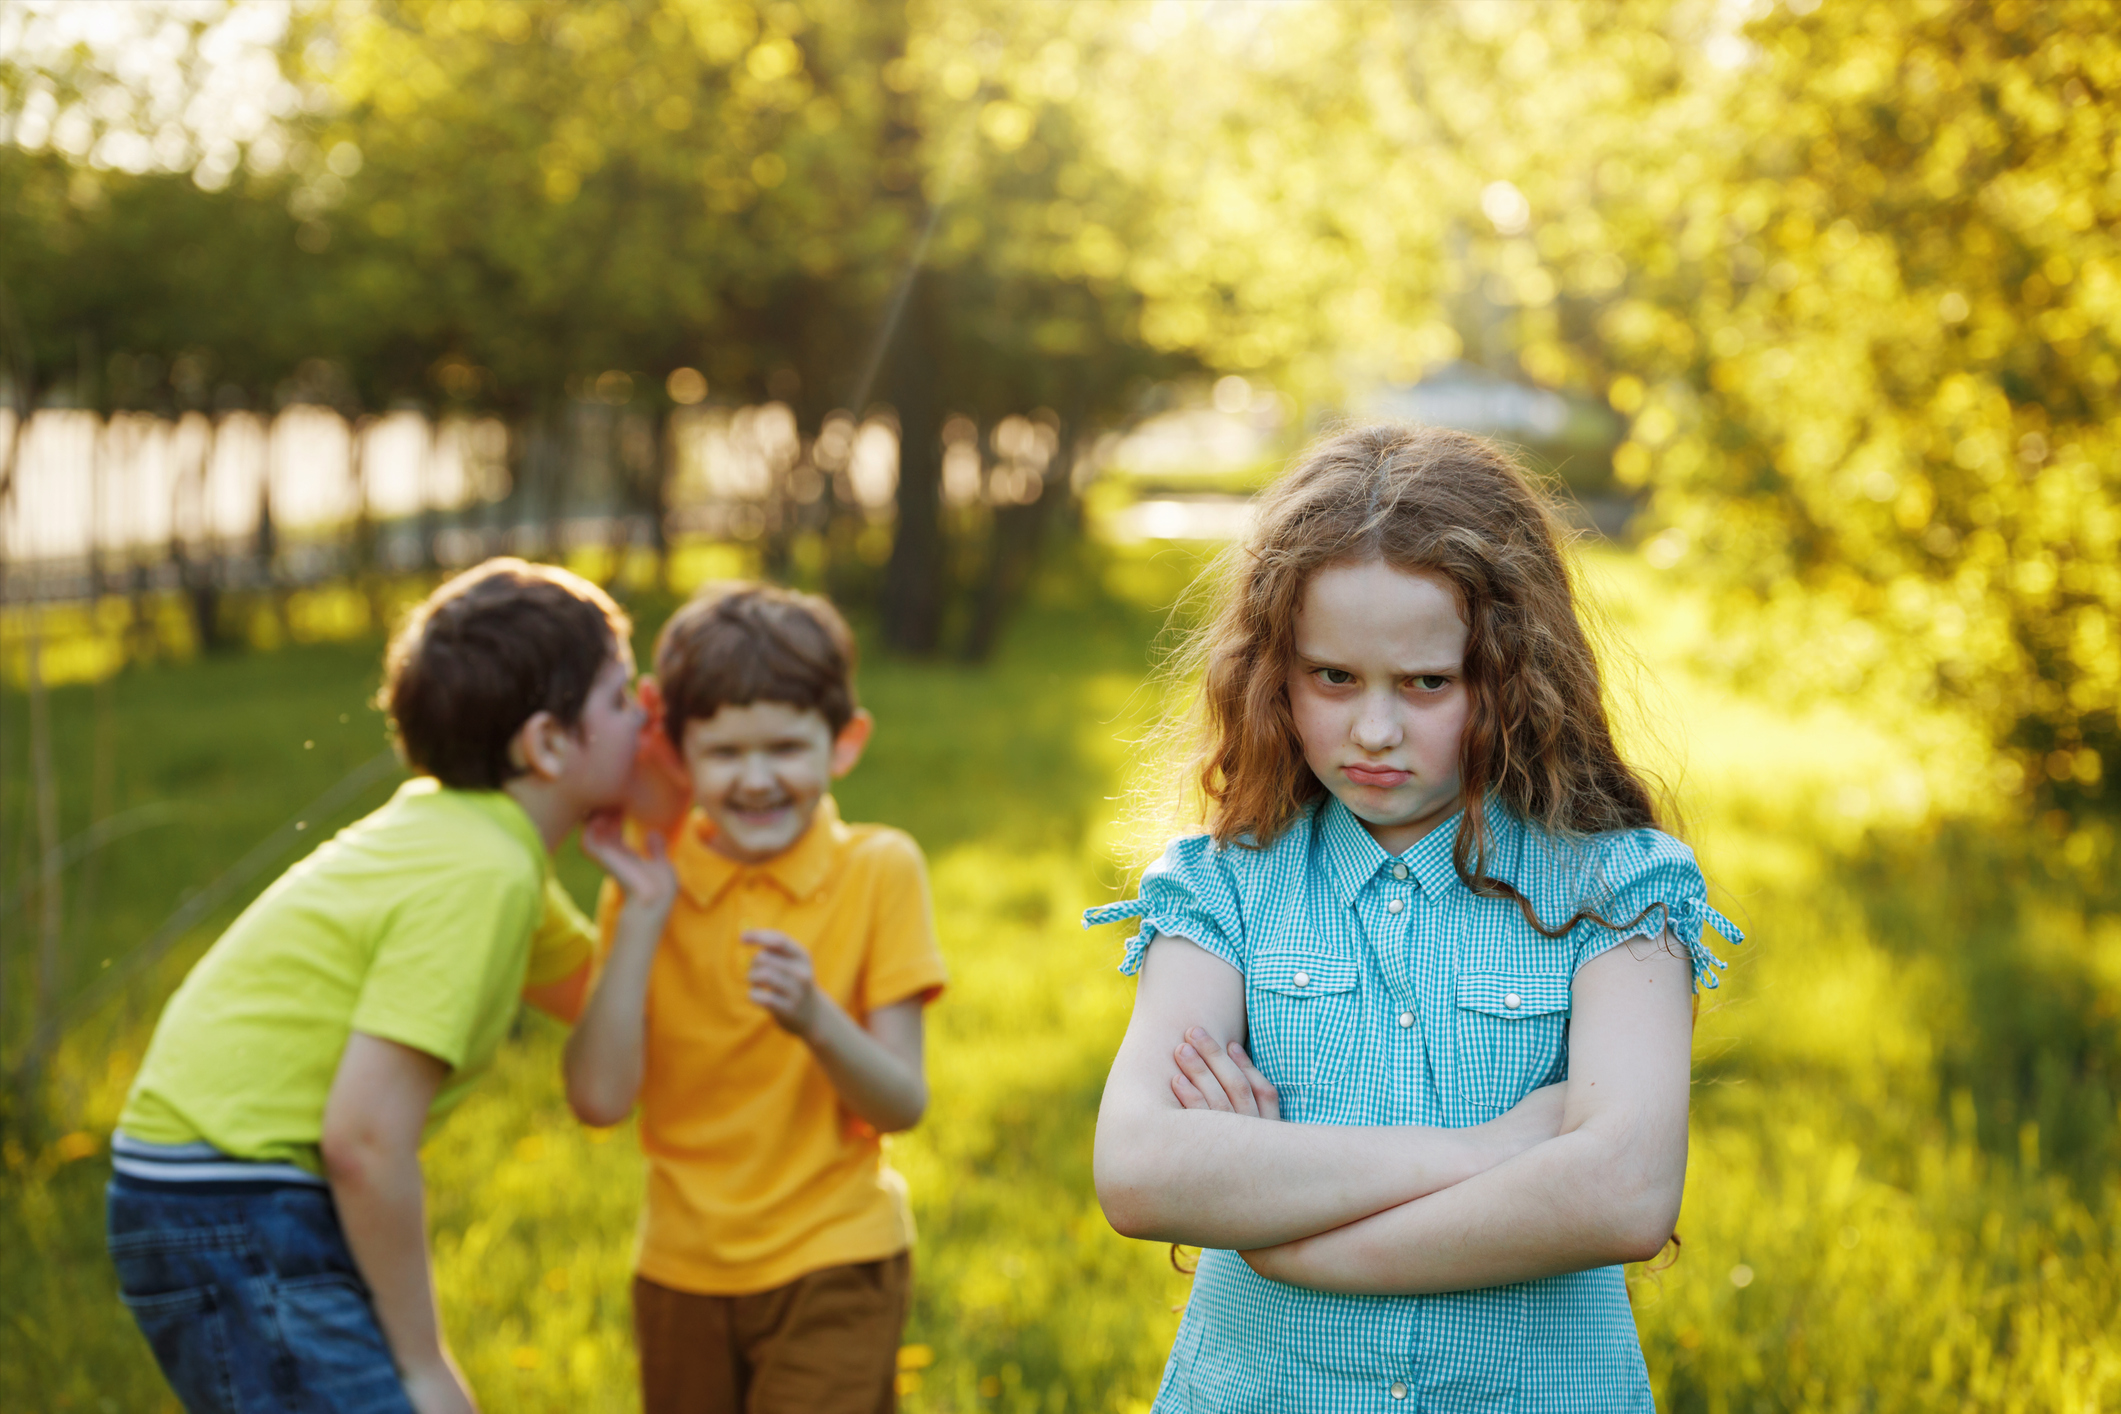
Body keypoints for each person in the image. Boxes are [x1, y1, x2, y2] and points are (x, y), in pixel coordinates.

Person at [1086, 424, 1743, 1412]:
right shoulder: (1222, 886)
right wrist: (1493, 1151)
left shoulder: (1619, 886)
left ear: (1514, 675)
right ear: (1274, 673)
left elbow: (1623, 1193)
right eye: (1333, 678)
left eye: (1428, 683)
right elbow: (1139, 1169)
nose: (1375, 730)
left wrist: (1282, 1230)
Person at [108, 557, 672, 1414]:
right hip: (233, 1200)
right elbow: (365, 1141)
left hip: (211, 1190)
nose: (649, 716)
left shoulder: (474, 842)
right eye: (624, 697)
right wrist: (424, 1365)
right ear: (548, 743)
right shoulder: (480, 876)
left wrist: (656, 868)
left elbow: (622, 1032)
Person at [564, 582, 946, 1414]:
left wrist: (816, 1019)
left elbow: (901, 1103)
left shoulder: (880, 869)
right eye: (727, 753)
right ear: (677, 752)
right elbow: (597, 1100)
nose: (758, 779)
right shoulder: (647, 878)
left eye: (784, 747)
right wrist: (644, 909)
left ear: (842, 744)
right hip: (678, 1269)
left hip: (836, 1256)